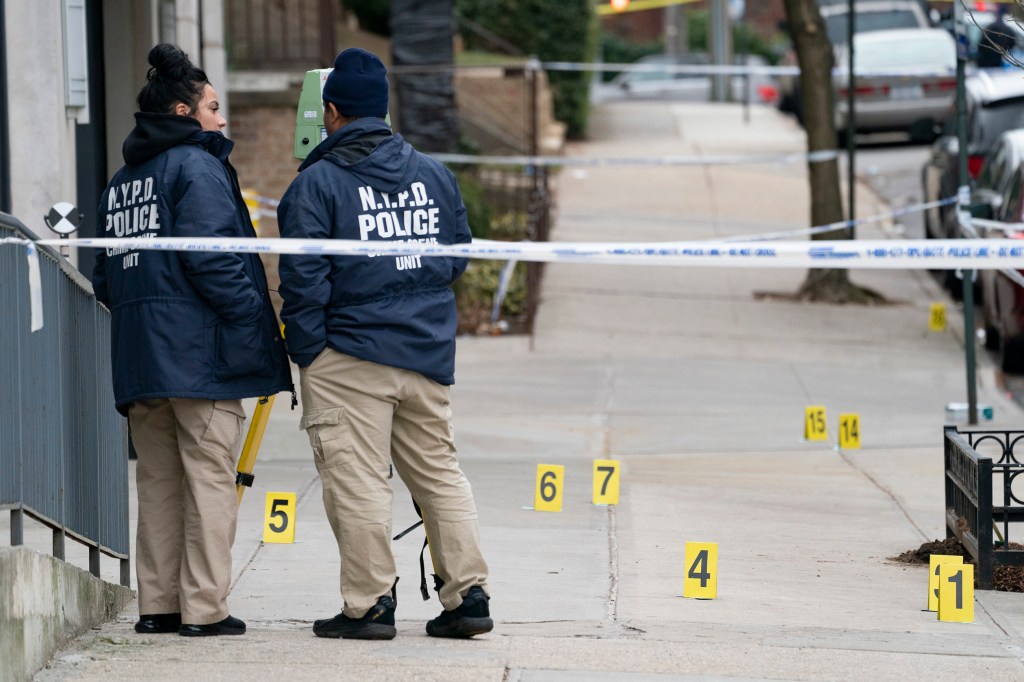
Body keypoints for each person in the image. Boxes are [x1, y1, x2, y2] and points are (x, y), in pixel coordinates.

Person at [277, 47, 491, 641]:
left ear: (332, 112)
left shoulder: (316, 184)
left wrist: (311, 349)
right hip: (424, 354)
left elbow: (302, 278)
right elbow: (456, 254)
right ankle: (468, 596)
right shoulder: (433, 173)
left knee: (357, 480)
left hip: (348, 355)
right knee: (440, 476)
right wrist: (416, 302)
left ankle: (370, 606)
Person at [92, 44, 292, 637]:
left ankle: (158, 606)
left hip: (141, 357)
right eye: (213, 106)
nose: (222, 119)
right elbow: (214, 258)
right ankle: (206, 609)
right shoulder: (196, 166)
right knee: (210, 480)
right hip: (199, 357)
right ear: (184, 111)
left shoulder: (124, 179)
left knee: (157, 483)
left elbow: (106, 275)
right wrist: (249, 320)